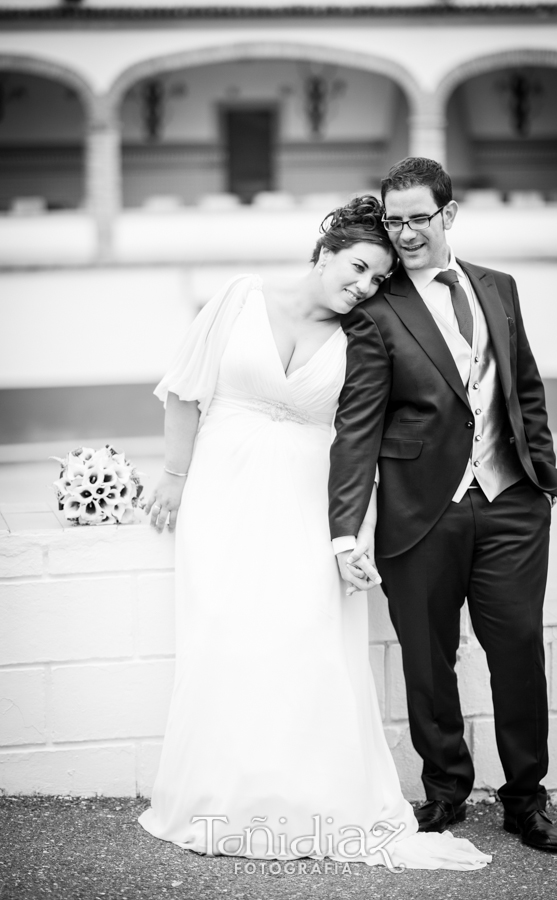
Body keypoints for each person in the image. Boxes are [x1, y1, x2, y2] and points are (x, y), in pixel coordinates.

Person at [138, 196, 491, 871]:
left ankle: (307, 799)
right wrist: (176, 478)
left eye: (374, 281)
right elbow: (185, 392)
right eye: (357, 268)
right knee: (224, 634)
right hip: (222, 490)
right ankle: (224, 799)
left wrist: (354, 529)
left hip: (310, 500)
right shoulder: (238, 299)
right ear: (325, 250)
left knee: (308, 637)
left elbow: (365, 438)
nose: (361, 287)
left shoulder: (366, 333)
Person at [329, 158, 557, 854]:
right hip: (419, 508)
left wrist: (541, 479)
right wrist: (345, 527)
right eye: (393, 219)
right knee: (427, 660)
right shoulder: (375, 307)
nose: (403, 233)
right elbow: (358, 424)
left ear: (447, 215)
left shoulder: (499, 287)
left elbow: (523, 386)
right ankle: (444, 792)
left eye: (416, 218)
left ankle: (525, 800)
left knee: (518, 649)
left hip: (510, 504)